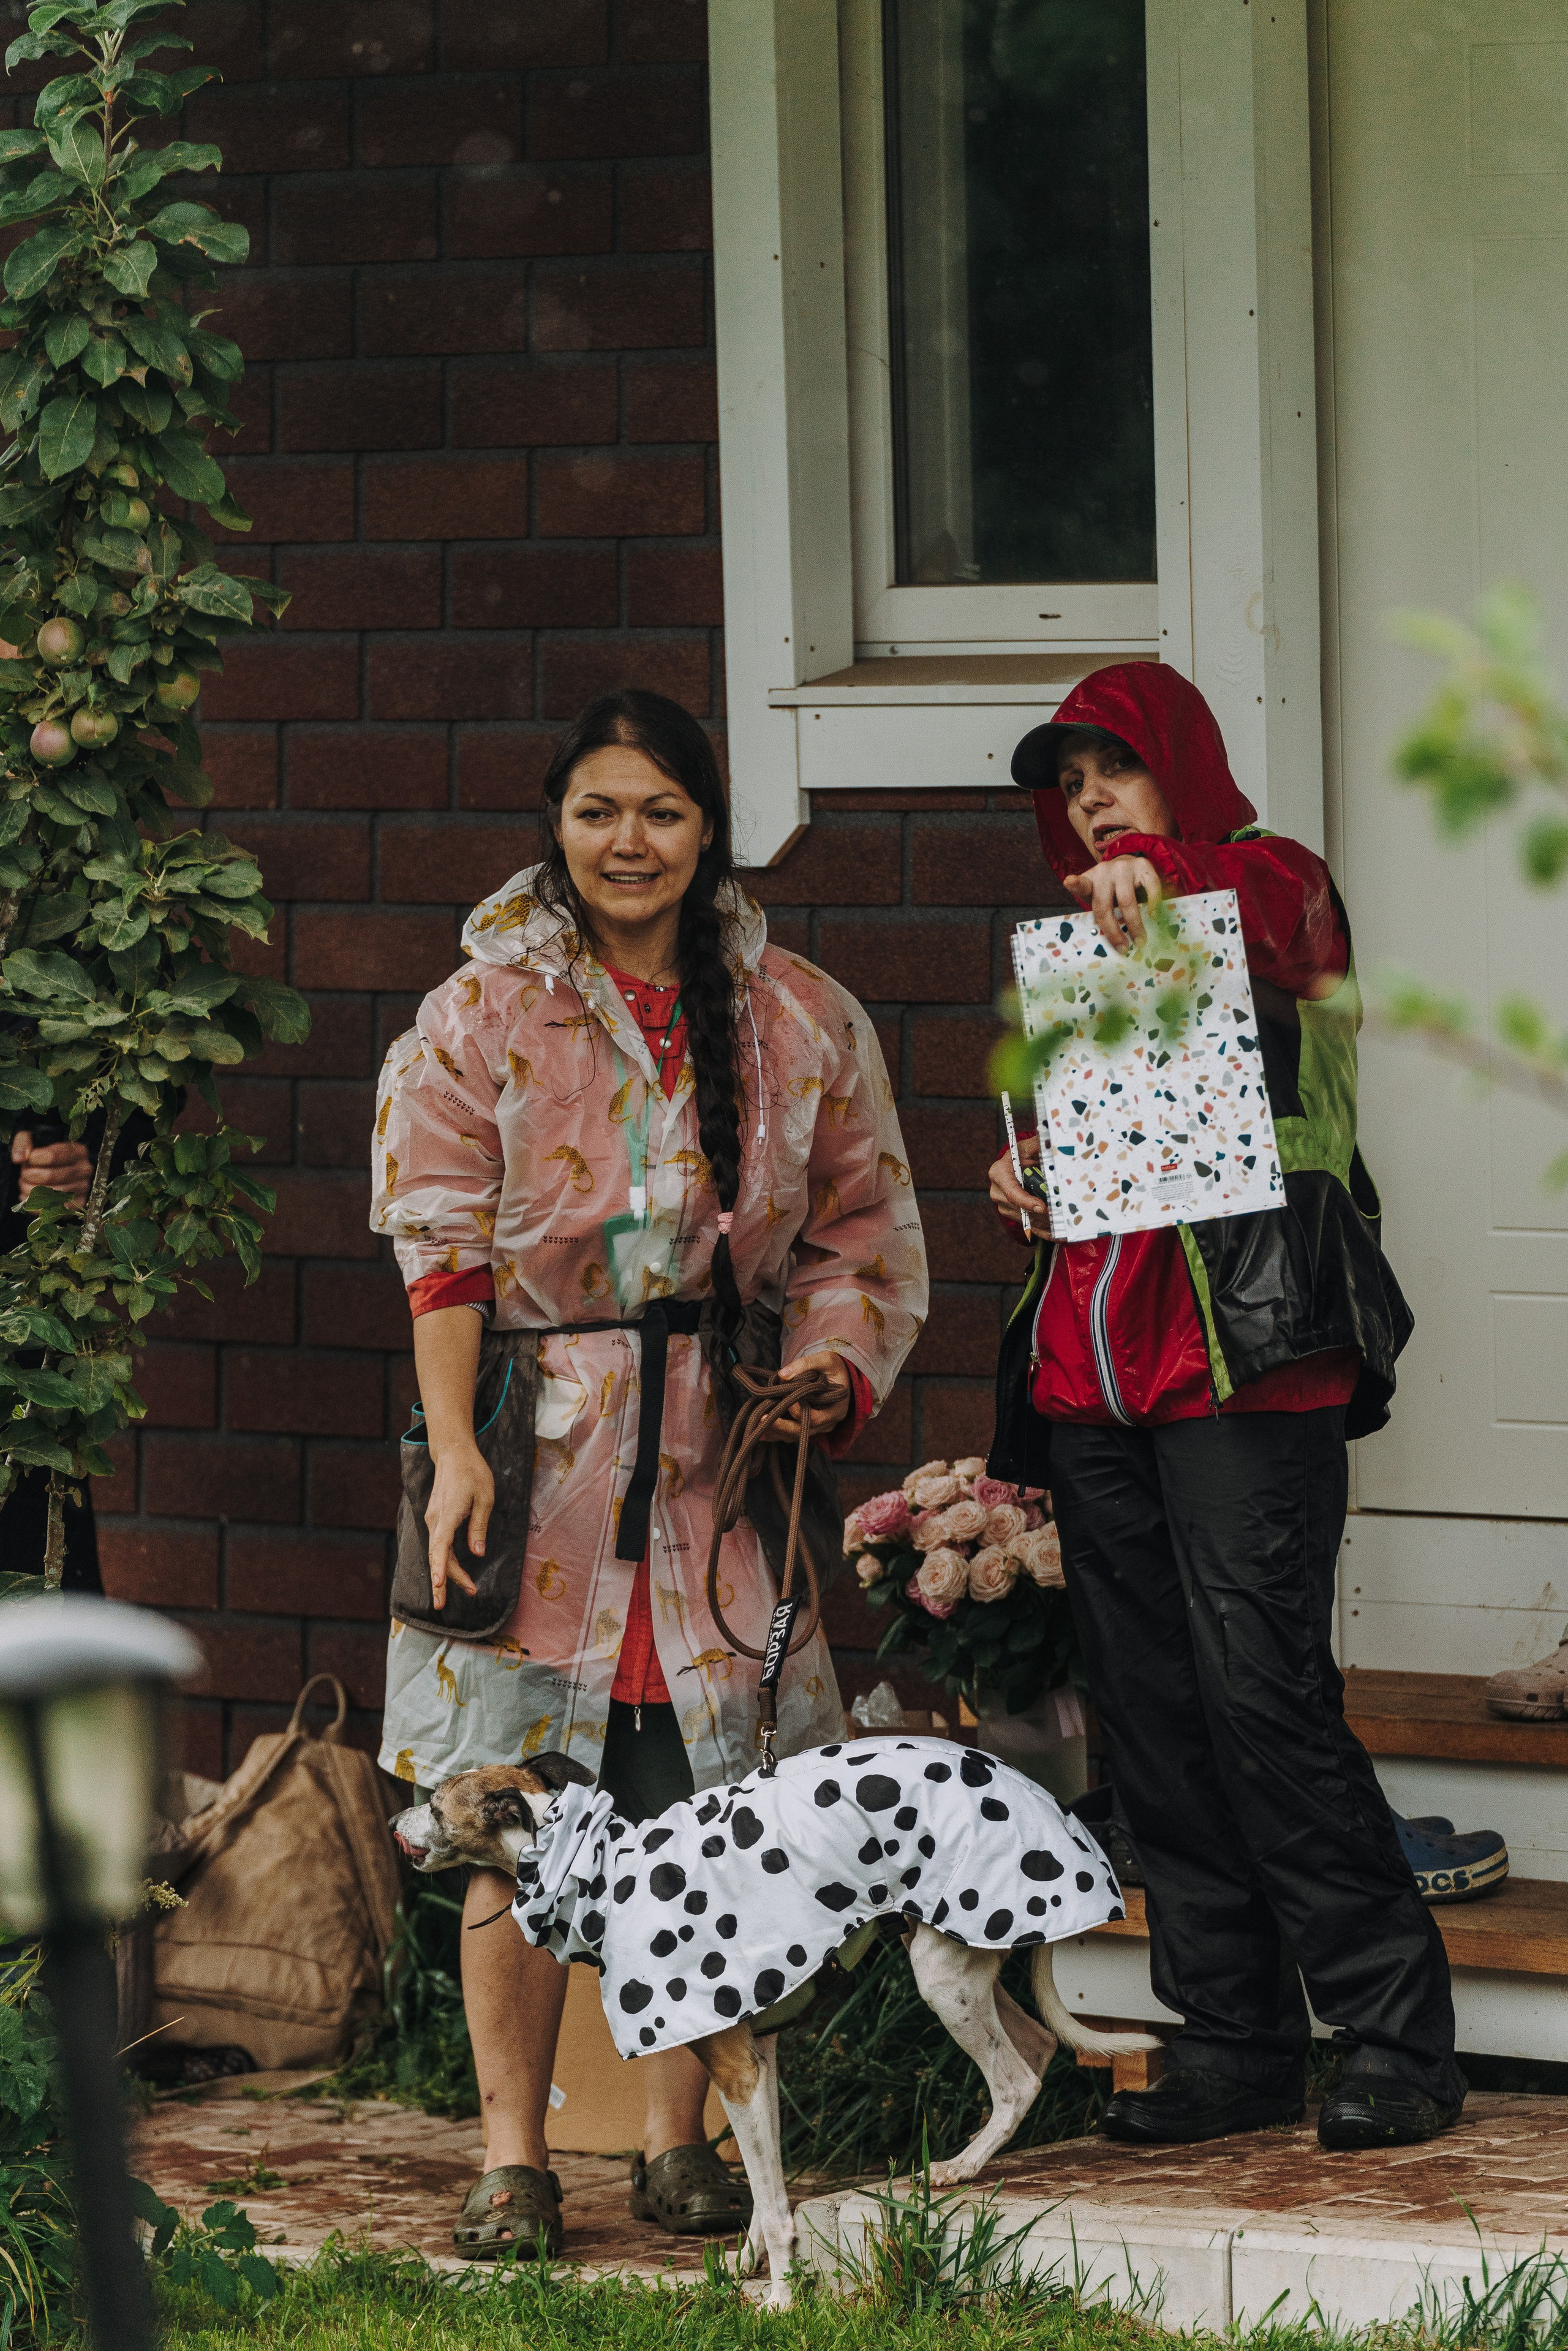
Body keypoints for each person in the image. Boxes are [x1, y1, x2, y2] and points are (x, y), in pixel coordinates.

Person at [371, 689, 927, 2257]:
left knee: (705, 1810)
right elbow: (439, 1249)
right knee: (512, 1811)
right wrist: (459, 1447)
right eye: (599, 809)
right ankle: (512, 2154)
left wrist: (830, 1359)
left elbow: (860, 1227)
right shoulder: (479, 1014)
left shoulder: (797, 1011)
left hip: (714, 1456)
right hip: (532, 1452)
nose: (630, 841)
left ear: (706, 827)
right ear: (556, 822)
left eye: (662, 811)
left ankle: (682, 2138)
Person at [988, 661, 1463, 2152]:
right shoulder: (1068, 952)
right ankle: (1232, 2038)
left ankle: (1391, 2035)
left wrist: (1163, 869)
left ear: (1179, 769)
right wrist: (1026, 1179)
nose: (1087, 808)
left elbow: (1285, 935)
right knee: (1152, 1717)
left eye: (1111, 773)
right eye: (1068, 789)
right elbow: (1086, 1146)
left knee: (1263, 1698)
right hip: (1091, 1375)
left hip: (1249, 1363)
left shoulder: (1271, 881)